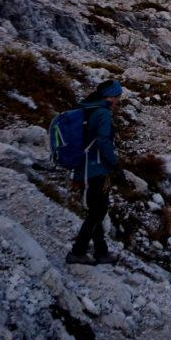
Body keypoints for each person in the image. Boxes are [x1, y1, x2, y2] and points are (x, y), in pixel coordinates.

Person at [66, 79, 124, 265]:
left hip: (86, 168)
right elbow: (103, 141)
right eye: (117, 97)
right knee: (97, 211)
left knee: (97, 210)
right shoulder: (103, 113)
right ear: (111, 96)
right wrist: (115, 165)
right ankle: (78, 251)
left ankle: (101, 252)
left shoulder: (90, 108)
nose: (118, 100)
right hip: (97, 169)